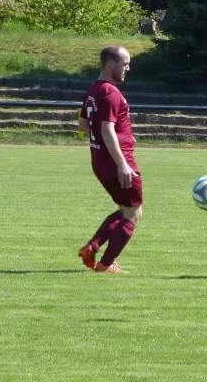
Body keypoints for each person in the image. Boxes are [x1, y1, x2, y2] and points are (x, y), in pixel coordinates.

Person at [77, 45, 143, 273]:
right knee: (134, 213)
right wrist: (122, 163)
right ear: (110, 64)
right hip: (117, 162)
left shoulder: (93, 89)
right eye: (125, 64)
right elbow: (106, 129)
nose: (128, 68)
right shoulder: (111, 93)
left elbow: (83, 125)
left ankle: (91, 248)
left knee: (125, 209)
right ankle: (105, 265)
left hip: (99, 160)